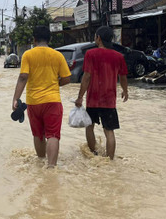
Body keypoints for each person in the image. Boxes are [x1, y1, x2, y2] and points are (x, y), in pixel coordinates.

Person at [11, 25, 71, 168]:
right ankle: (51, 168)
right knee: (53, 135)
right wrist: (56, 83)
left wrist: (15, 99)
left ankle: (40, 163)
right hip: (53, 101)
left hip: (33, 102)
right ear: (49, 39)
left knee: (38, 135)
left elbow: (23, 77)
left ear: (34, 39)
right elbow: (67, 78)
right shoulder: (57, 55)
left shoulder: (28, 54)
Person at [75, 26, 129, 160]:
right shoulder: (118, 56)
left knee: (89, 126)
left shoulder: (90, 54)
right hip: (109, 100)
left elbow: (86, 77)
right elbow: (123, 77)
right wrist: (125, 91)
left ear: (98, 38)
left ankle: (93, 155)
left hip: (92, 99)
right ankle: (110, 160)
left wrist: (80, 96)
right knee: (109, 131)